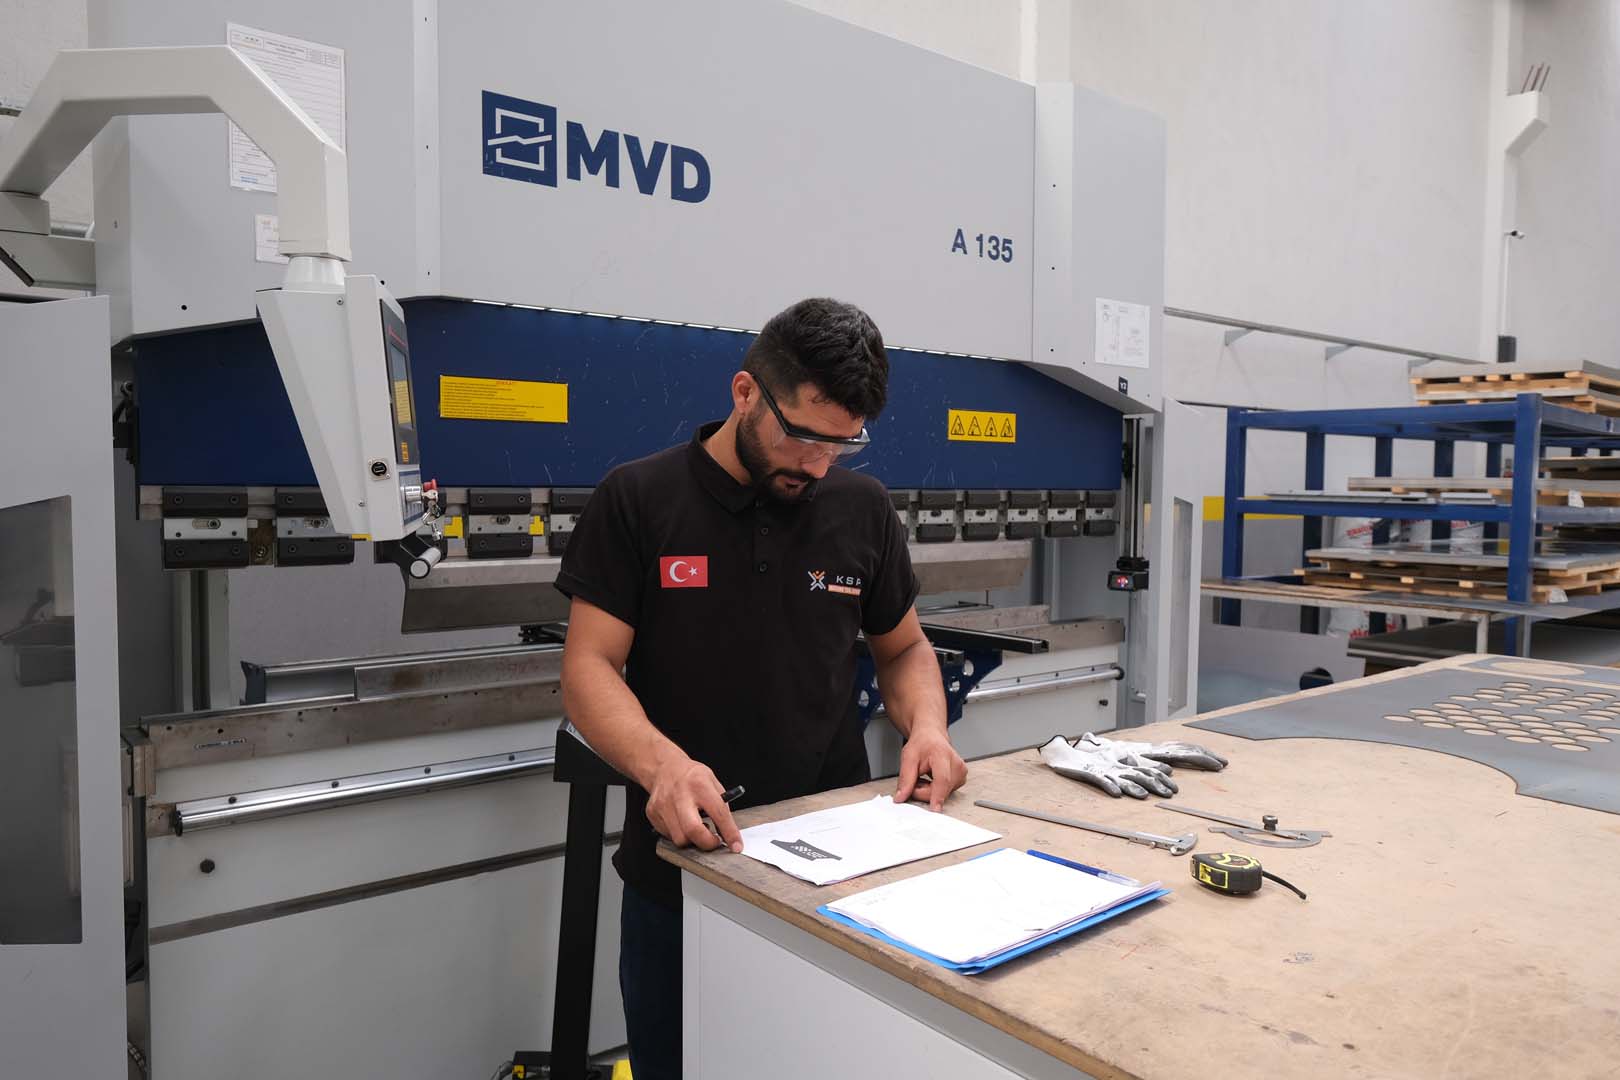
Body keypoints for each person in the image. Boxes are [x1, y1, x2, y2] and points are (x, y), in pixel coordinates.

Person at [556, 297, 967, 1078]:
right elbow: (588, 669)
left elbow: (905, 647)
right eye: (803, 436)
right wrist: (662, 766)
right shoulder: (638, 498)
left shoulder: (862, 508)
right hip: (684, 872)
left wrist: (928, 728)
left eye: (842, 444)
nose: (818, 465)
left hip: (841, 871)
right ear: (745, 392)